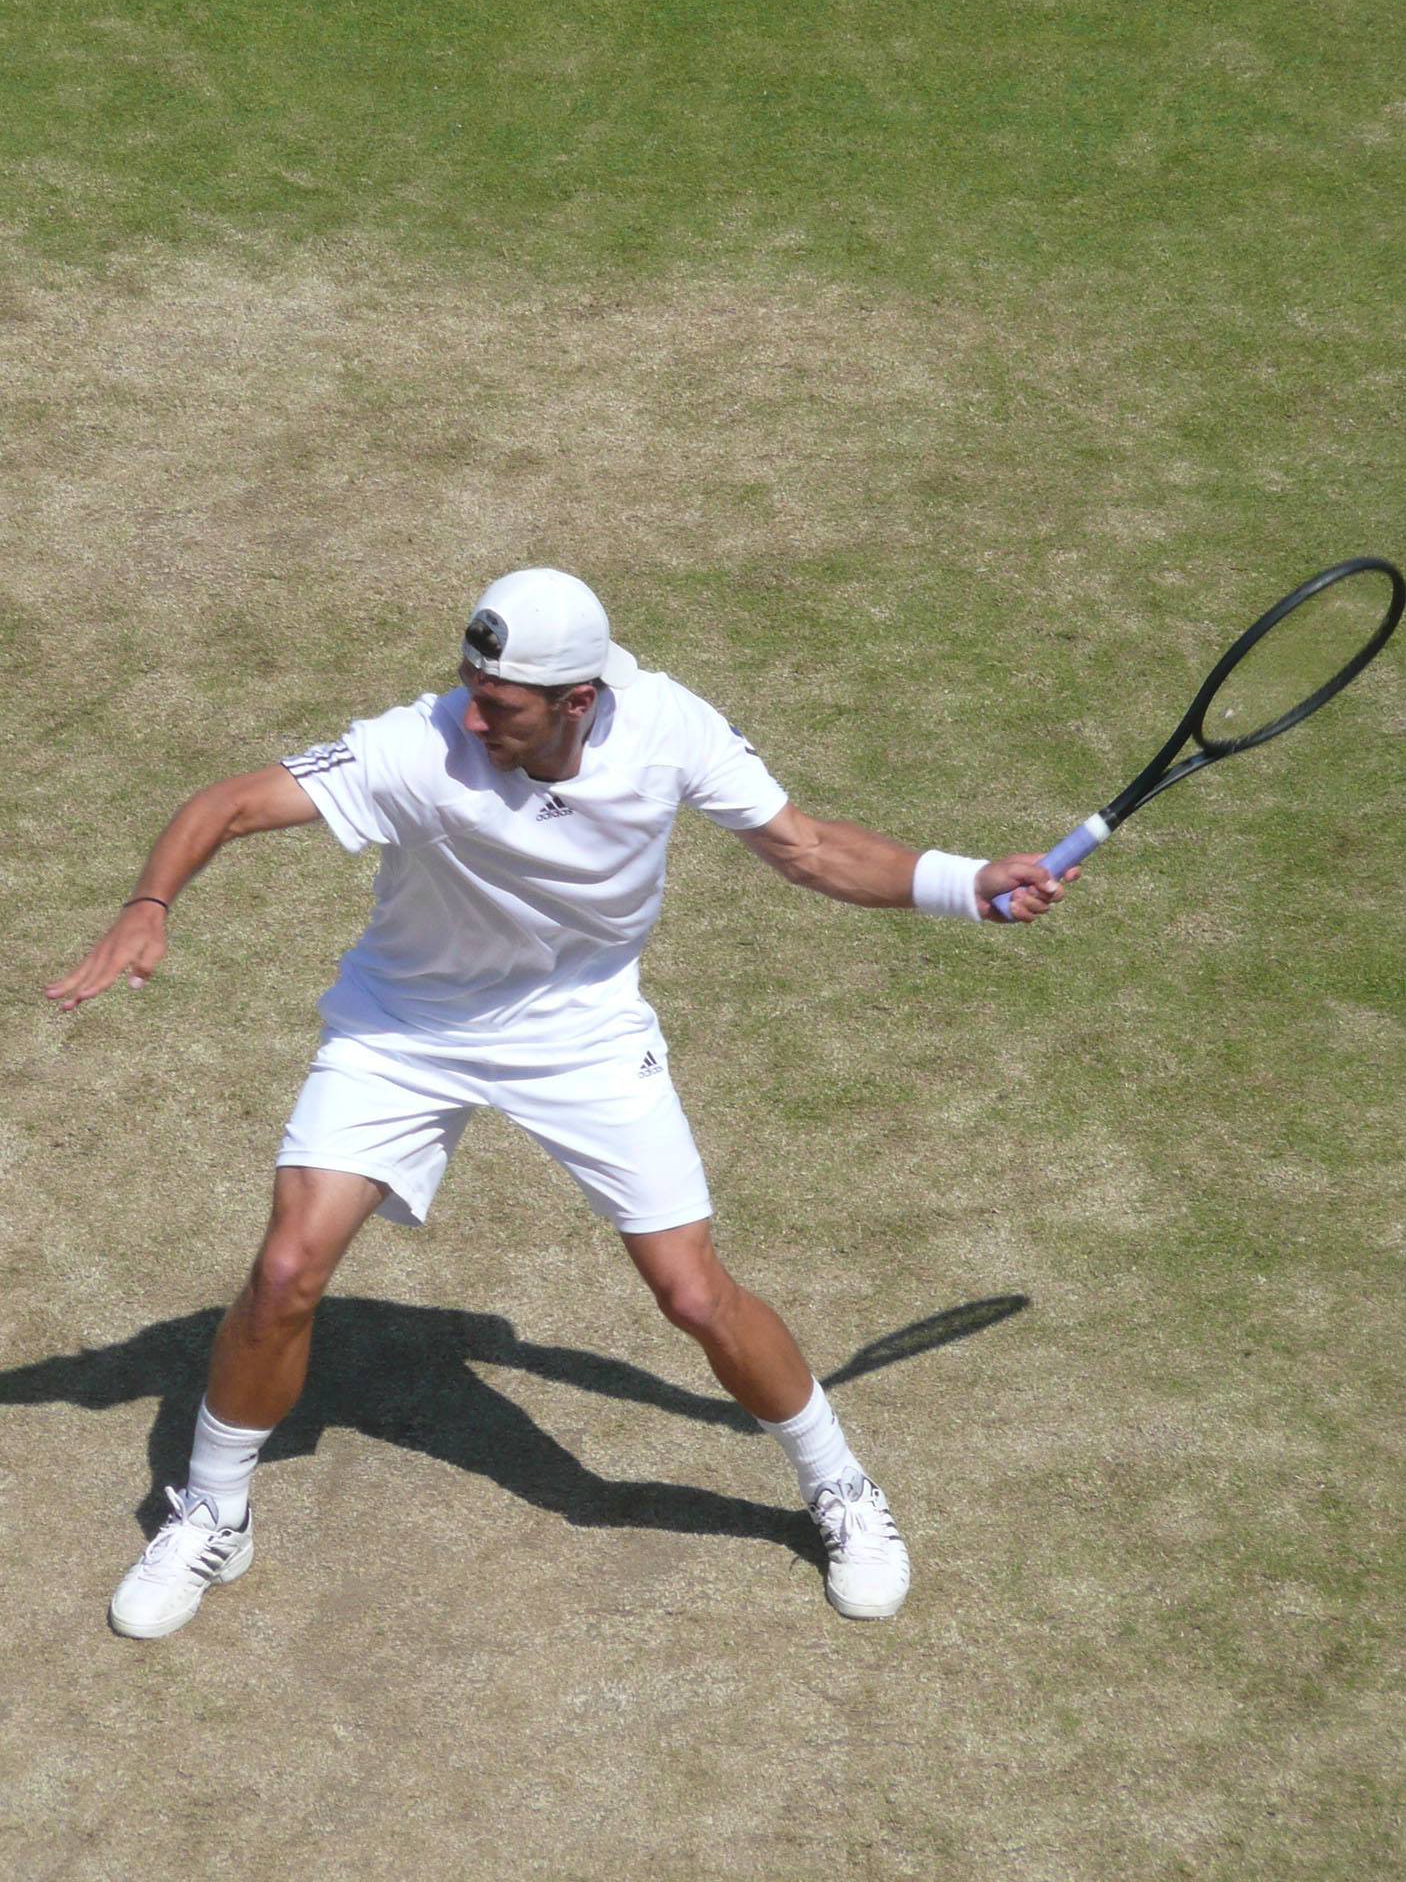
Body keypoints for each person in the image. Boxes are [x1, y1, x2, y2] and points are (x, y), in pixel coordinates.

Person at [46, 568, 1074, 1639]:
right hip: (406, 1030)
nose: (471, 713)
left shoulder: (670, 728)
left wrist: (965, 882)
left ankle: (840, 1489)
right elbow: (229, 802)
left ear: (577, 700)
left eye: (502, 704)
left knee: (690, 1292)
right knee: (288, 1269)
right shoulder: (419, 743)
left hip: (581, 1036)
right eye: (469, 686)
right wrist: (147, 904)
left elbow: (806, 849)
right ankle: (212, 1510)